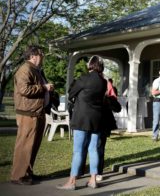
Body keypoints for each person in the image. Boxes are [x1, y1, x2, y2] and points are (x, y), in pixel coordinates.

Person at [57, 55, 107, 190]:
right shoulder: (104, 82)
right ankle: (93, 180)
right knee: (93, 149)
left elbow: (70, 92)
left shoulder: (84, 78)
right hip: (97, 119)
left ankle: (72, 182)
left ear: (90, 65)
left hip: (81, 118)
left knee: (78, 150)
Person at [11, 45, 54, 185]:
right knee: (25, 145)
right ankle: (19, 176)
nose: (43, 56)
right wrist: (44, 87)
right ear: (33, 56)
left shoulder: (36, 70)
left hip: (37, 111)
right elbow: (24, 89)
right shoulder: (25, 69)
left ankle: (28, 173)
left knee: (33, 145)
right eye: (41, 54)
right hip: (28, 113)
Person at [96, 79, 121, 182]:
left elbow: (117, 108)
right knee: (86, 147)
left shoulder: (110, 90)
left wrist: (109, 97)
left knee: (100, 148)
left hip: (103, 124)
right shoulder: (91, 87)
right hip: (90, 122)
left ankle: (98, 172)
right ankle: (81, 170)